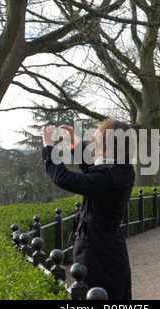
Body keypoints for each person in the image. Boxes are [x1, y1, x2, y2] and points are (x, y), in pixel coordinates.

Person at [41, 118, 136, 299]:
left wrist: (49, 148)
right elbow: (91, 169)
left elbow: (63, 177)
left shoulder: (109, 176)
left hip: (99, 251)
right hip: (107, 246)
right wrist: (75, 143)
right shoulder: (122, 169)